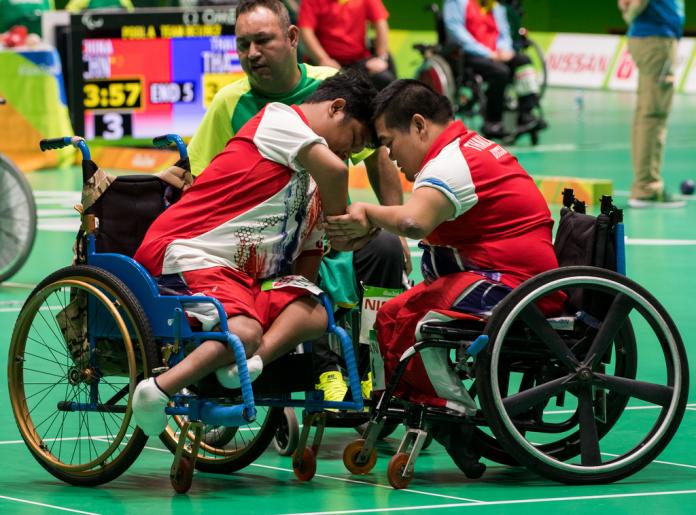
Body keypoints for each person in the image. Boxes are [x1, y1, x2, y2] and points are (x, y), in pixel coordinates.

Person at [326, 79, 564, 470]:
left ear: (419, 125)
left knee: (427, 322)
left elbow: (414, 221)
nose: (389, 154)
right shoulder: (460, 151)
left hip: (517, 285)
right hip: (491, 278)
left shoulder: (453, 162)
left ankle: (452, 413)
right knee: (389, 316)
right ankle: (405, 406)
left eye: (389, 142)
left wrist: (368, 214)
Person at [131, 71, 377, 437]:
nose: (349, 154)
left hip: (245, 280)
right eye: (353, 140)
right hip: (191, 252)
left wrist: (294, 297)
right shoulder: (280, 119)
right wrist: (344, 220)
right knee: (243, 331)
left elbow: (309, 259)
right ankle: (156, 390)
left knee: (314, 310)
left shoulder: (314, 183)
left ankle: (249, 362)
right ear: (337, 108)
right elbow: (336, 170)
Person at [185, 0, 409, 403]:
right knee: (313, 256)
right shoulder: (230, 104)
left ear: (291, 38)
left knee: (386, 249)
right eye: (243, 45)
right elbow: (201, 181)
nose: (252, 54)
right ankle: (323, 372)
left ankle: (373, 366)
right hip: (262, 243)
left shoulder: (331, 90)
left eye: (263, 41)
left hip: (326, 228)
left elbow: (376, 158)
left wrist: (396, 225)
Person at [618, 0, 686, 208]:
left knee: (646, 113)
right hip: (656, 39)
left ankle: (645, 184)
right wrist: (632, 13)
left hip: (649, 38)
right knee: (653, 115)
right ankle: (646, 188)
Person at [442, 0, 543, 138]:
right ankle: (492, 122)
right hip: (469, 54)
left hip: (496, 54)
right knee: (500, 72)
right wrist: (487, 53)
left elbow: (504, 33)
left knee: (523, 61)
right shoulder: (457, 2)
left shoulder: (495, 5)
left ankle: (526, 115)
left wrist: (505, 51)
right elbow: (456, 32)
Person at [297, 0, 396, 91]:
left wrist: (381, 57)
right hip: (327, 62)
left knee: (385, 79)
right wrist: (324, 59)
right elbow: (306, 32)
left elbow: (381, 23)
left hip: (359, 60)